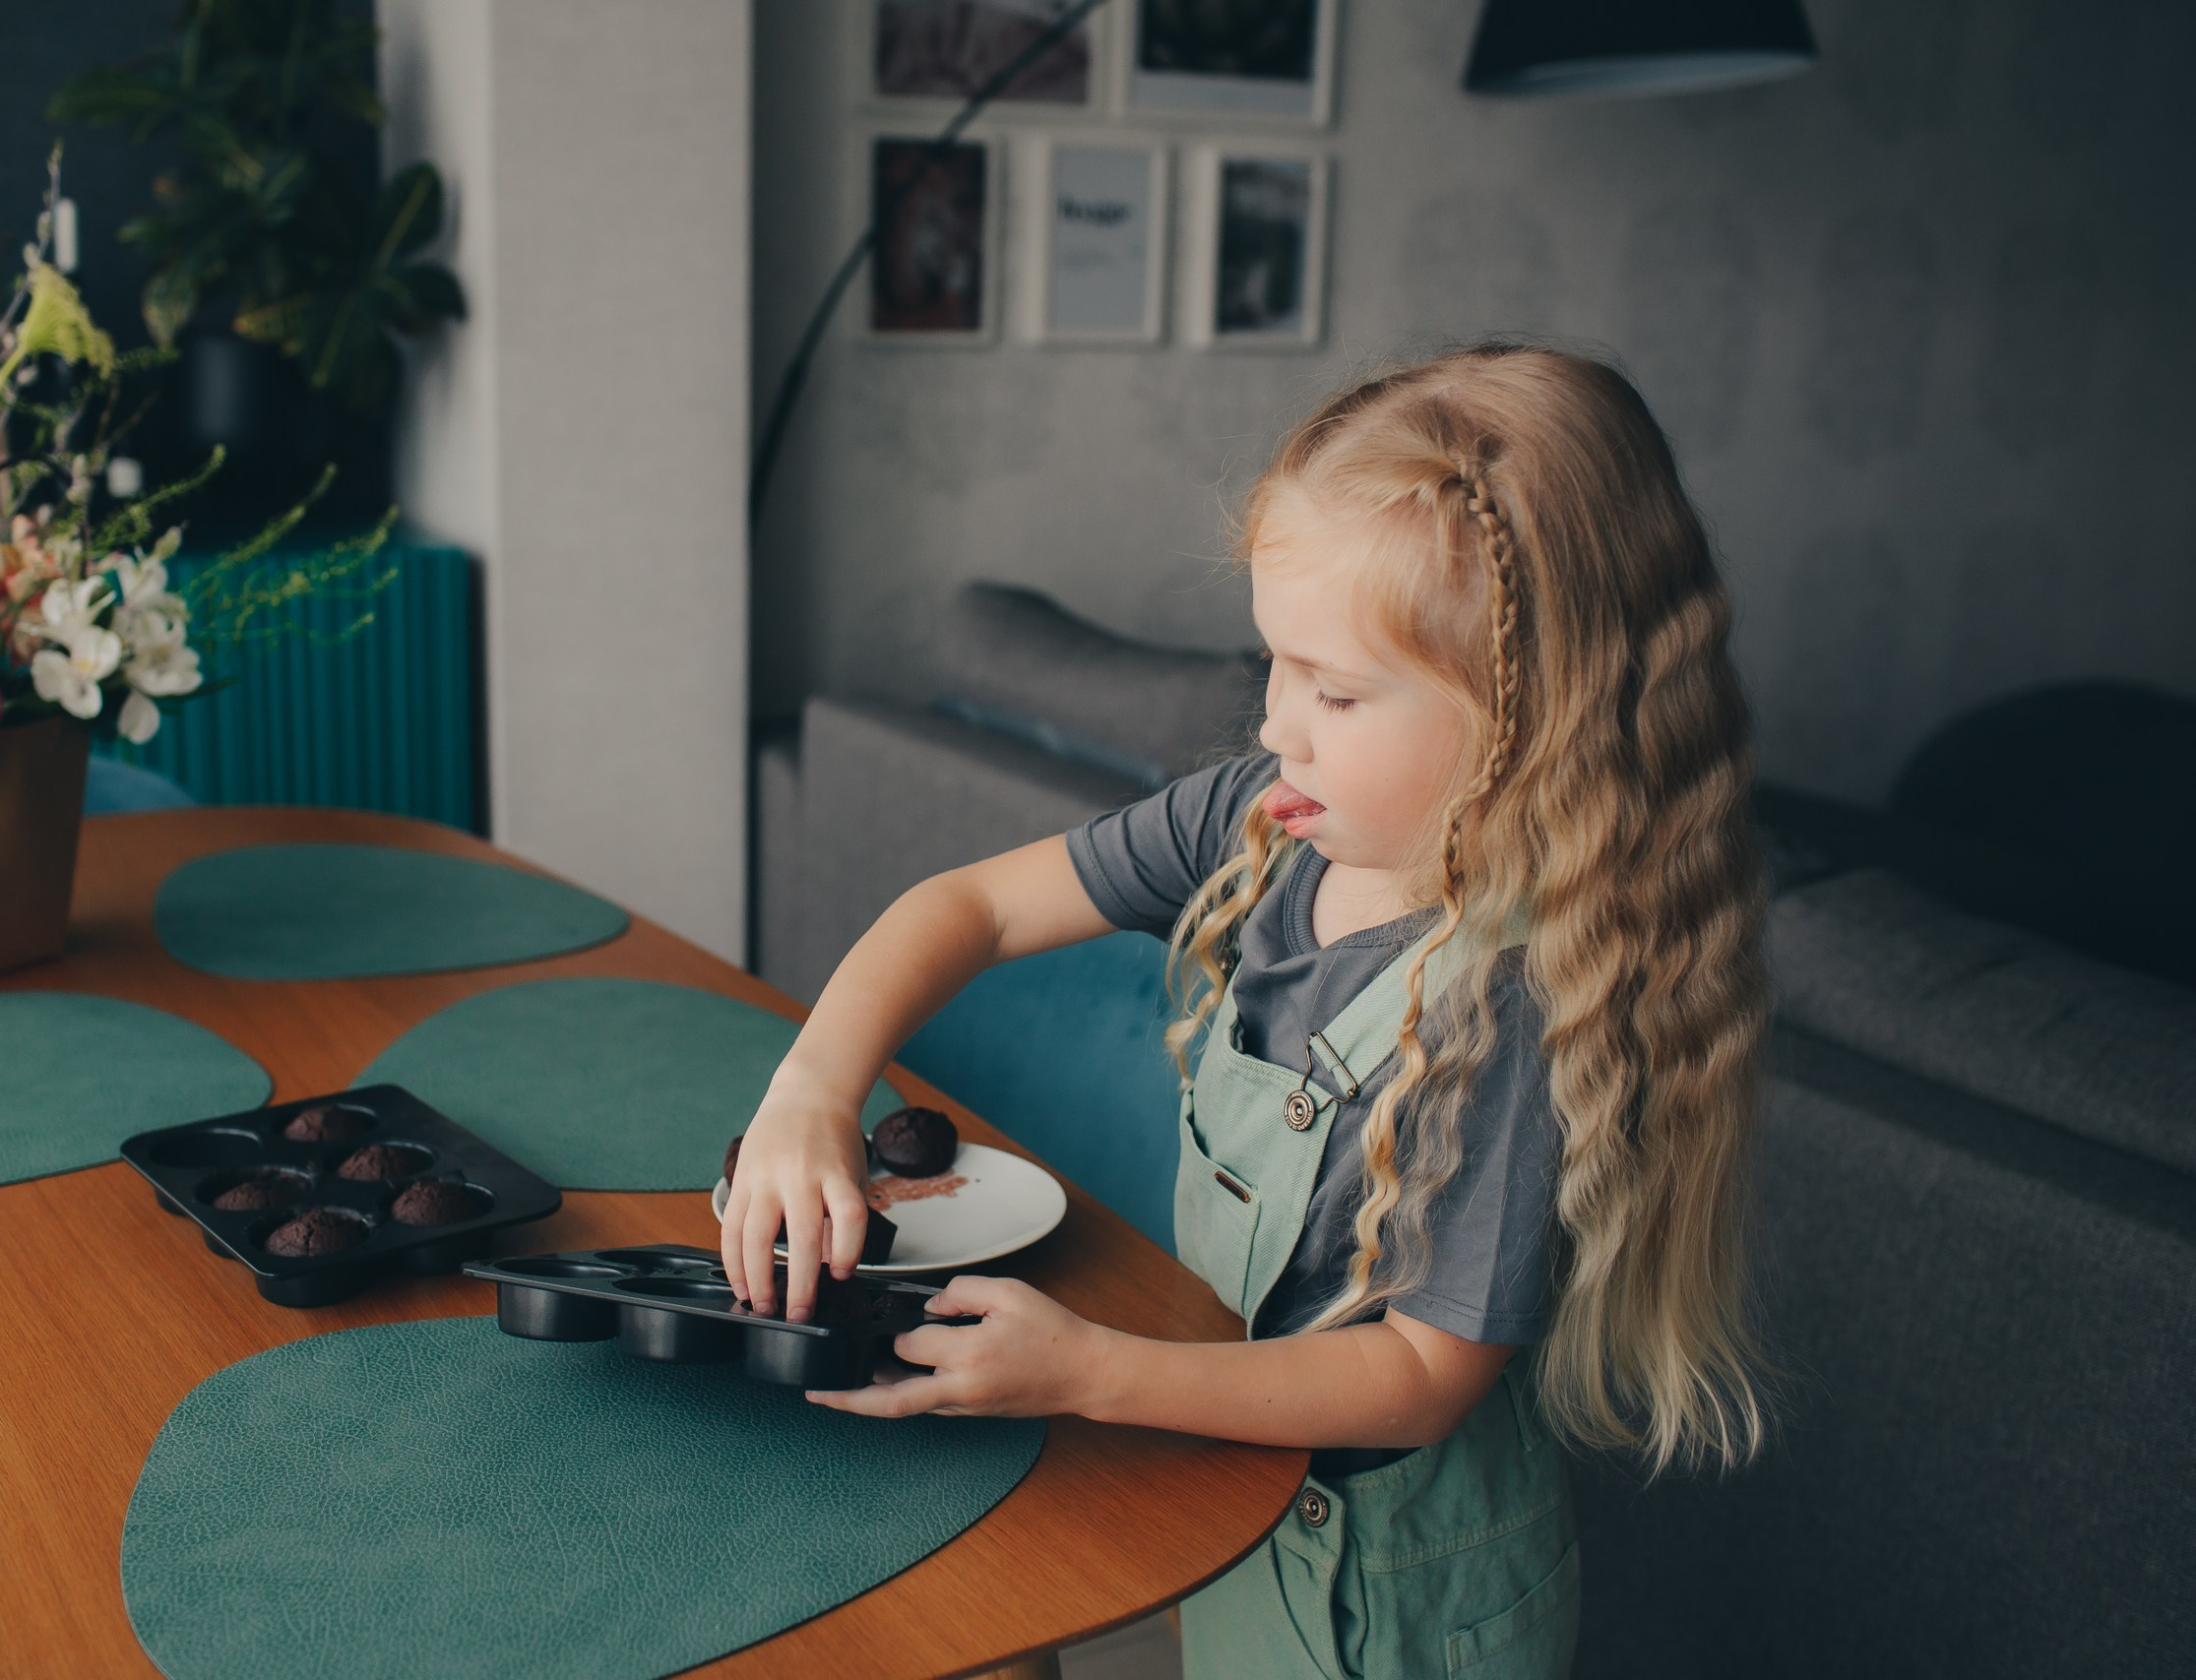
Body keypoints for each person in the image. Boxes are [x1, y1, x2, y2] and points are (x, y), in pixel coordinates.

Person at [721, 343, 1771, 1677]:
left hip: (1395, 1615)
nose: (1281, 726)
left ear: (1530, 720)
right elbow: (968, 909)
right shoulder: (1260, 828)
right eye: (1273, 664)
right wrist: (809, 1093)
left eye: (1336, 692)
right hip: (1244, 1505)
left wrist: (1093, 1373)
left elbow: (1415, 1381)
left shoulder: (1506, 1003)